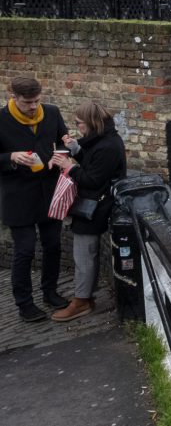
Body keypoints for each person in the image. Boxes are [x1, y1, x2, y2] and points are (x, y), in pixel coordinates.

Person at [49, 100, 126, 321]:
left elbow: (92, 179)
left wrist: (69, 167)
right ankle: (85, 297)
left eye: (79, 123)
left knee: (84, 255)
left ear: (91, 122)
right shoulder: (105, 140)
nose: (77, 127)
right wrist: (76, 149)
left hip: (96, 207)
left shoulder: (108, 146)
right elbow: (94, 165)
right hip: (96, 204)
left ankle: (82, 302)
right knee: (85, 254)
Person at [0, 76, 69, 322]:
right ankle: (25, 304)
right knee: (25, 251)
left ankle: (50, 292)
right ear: (14, 97)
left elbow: (65, 143)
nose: (33, 107)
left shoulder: (51, 112)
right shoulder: (1, 119)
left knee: (53, 246)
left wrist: (58, 157)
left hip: (49, 192)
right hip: (18, 196)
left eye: (37, 101)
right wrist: (11, 157)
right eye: (28, 102)